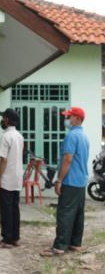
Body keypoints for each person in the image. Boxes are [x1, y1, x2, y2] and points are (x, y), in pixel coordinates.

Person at [41, 107, 89, 257]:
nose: (66, 119)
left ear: (77, 119)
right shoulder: (84, 136)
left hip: (70, 180)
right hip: (81, 181)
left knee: (65, 213)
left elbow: (68, 159)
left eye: (69, 116)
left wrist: (59, 180)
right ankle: (75, 244)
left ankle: (60, 246)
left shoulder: (71, 136)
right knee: (78, 213)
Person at [0, 109, 24, 249]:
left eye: (3, 117)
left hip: (7, 177)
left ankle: (6, 239)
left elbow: (3, 160)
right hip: (17, 177)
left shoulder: (6, 136)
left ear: (8, 120)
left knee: (6, 210)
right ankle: (15, 238)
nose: (2, 120)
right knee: (14, 209)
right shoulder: (19, 136)